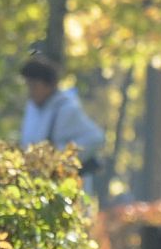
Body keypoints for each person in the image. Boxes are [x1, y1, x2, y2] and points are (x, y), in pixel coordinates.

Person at [19, 53, 104, 193]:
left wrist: (60, 157)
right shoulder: (33, 108)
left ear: (48, 85)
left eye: (34, 86)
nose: (30, 91)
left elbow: (96, 138)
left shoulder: (66, 109)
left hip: (67, 189)